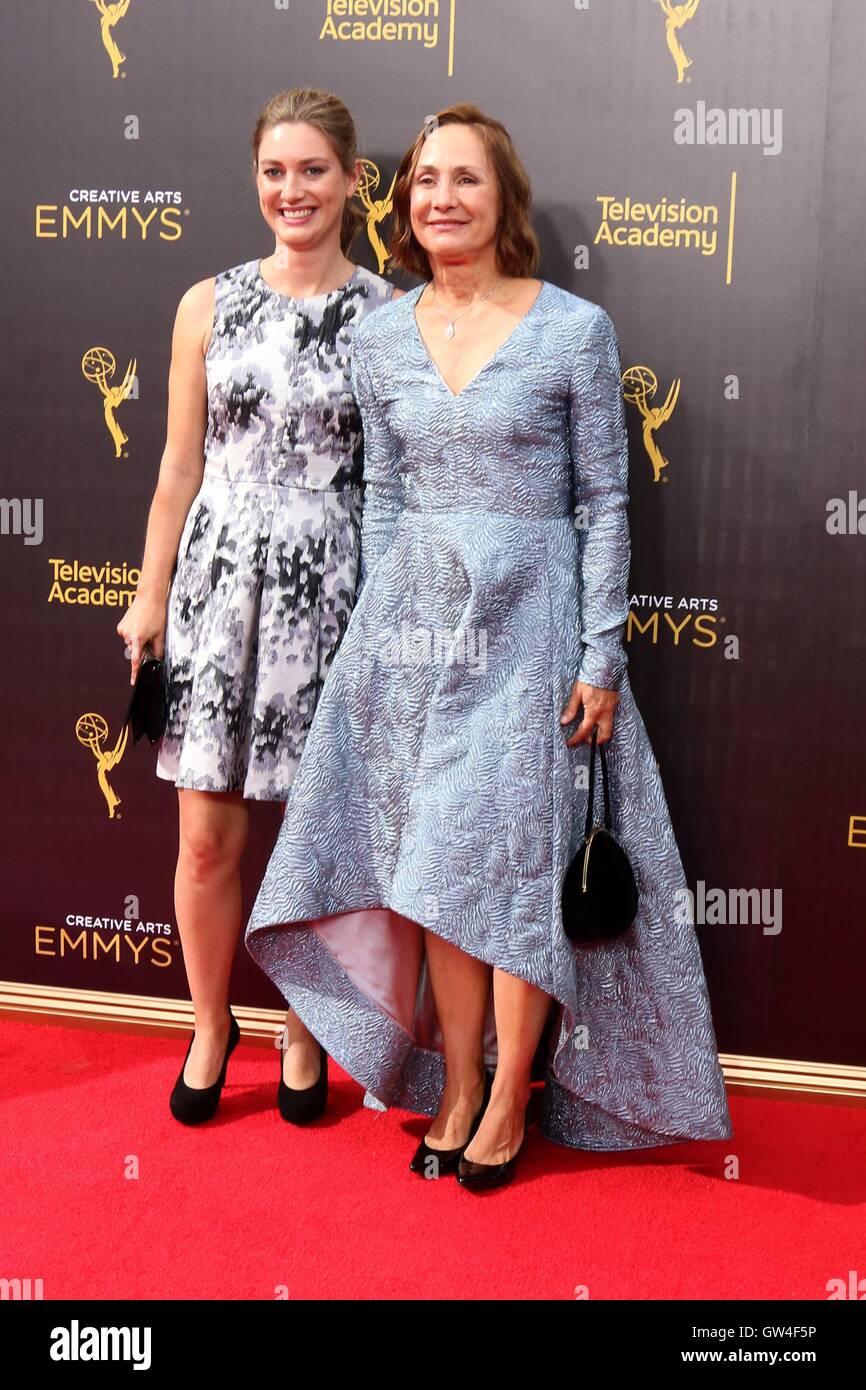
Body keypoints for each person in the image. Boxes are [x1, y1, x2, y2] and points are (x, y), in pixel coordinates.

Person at [244, 102, 732, 1188]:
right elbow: (380, 498)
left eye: (463, 180)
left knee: (508, 863)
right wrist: (373, 633)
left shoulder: (571, 329)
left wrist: (600, 652)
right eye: (423, 181)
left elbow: (603, 502)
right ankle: (457, 1083)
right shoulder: (378, 336)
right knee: (434, 872)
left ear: (502, 196)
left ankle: (511, 1092)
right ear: (403, 202)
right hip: (415, 630)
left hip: (531, 621)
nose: (440, 200)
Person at [117, 87, 401, 1125]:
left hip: (333, 584)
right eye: (275, 171)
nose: (293, 190)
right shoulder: (209, 301)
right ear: (256, 179)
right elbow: (176, 468)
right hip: (214, 584)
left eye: (313, 170)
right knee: (204, 839)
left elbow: (391, 482)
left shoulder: (388, 316)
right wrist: (149, 600)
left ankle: (302, 1027)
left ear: (351, 180)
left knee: (314, 836)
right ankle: (207, 1024)